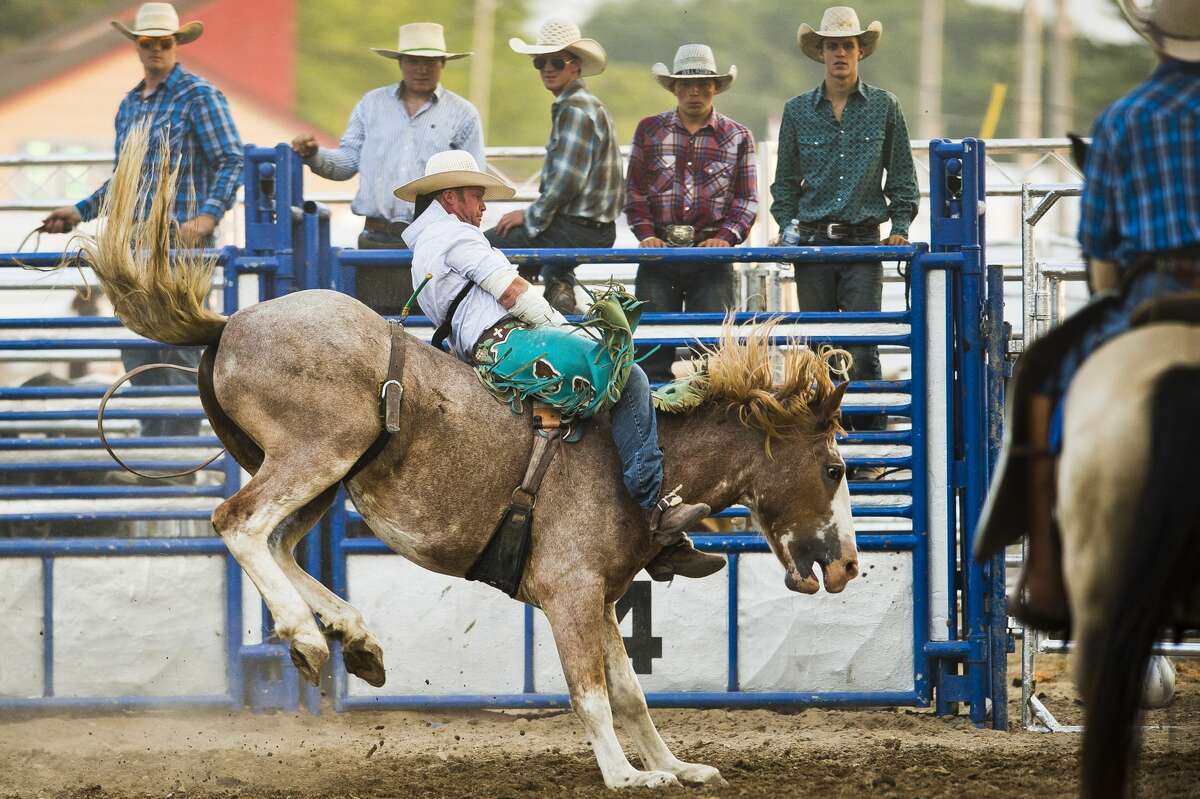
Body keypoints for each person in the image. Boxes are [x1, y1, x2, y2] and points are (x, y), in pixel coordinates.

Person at [397, 151, 725, 580]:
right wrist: (567, 330)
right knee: (627, 374)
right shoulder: (459, 238)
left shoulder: (426, 247)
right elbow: (513, 290)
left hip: (485, 351)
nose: (483, 209)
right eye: (477, 197)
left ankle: (651, 541)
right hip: (512, 345)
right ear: (451, 198)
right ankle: (658, 504)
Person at [977, 0, 1200, 629]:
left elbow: (1099, 243)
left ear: (1157, 38)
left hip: (1152, 290)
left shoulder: (1127, 118)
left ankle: (1046, 568)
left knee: (1044, 372)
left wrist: (1113, 284)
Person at [41, 2, 243, 438]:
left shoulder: (198, 95)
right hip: (134, 249)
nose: (156, 50)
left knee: (181, 348)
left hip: (181, 248)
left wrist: (205, 219)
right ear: (138, 47)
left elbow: (231, 160)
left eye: (164, 42)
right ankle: (157, 451)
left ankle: (182, 453)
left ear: (176, 45)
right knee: (139, 347)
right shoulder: (131, 104)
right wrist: (79, 211)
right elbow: (123, 180)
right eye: (148, 43)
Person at [770, 6, 918, 437]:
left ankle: (869, 441)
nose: (839, 54)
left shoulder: (885, 107)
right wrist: (788, 227)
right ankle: (821, 443)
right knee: (817, 346)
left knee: (861, 344)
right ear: (820, 53)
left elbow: (903, 175)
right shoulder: (797, 111)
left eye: (846, 46)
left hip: (863, 243)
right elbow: (785, 184)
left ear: (860, 52)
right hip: (812, 242)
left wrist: (900, 228)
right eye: (832, 46)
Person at [291, 22, 485, 316]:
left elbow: (471, 181)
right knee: (376, 325)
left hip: (434, 239)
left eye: (429, 62)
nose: (421, 69)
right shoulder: (371, 105)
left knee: (436, 323)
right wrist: (314, 155)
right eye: (414, 61)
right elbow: (346, 162)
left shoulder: (463, 114)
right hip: (377, 236)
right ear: (401, 63)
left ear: (442, 63)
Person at [625, 44, 758, 384]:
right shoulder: (649, 130)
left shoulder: (738, 136)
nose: (694, 91)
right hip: (659, 254)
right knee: (650, 356)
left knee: (714, 360)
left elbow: (747, 199)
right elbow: (634, 191)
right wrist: (647, 235)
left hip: (711, 258)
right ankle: (653, 430)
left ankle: (710, 436)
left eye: (703, 84)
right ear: (674, 88)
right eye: (686, 84)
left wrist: (724, 238)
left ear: (716, 87)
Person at [485, 20, 623, 316]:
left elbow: (565, 183)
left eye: (557, 62)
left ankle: (487, 327)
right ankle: (562, 309)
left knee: (484, 246)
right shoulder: (582, 104)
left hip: (579, 227)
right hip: (588, 227)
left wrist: (528, 217)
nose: (548, 68)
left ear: (575, 67)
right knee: (552, 270)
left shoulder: (574, 108)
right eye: (540, 62)